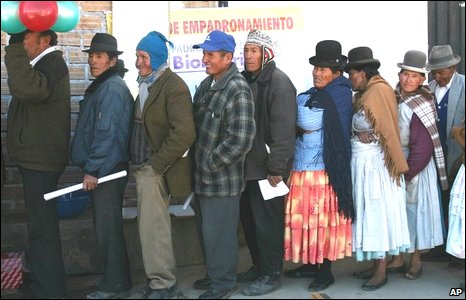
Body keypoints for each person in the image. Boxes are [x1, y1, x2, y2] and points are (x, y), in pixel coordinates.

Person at [128, 31, 195, 299]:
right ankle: (158, 280)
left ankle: (163, 285)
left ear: (156, 58)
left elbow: (184, 133)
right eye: (137, 56)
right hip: (144, 168)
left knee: (153, 229)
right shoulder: (148, 83)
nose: (138, 62)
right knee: (149, 228)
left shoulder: (173, 86)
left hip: (154, 169)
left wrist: (155, 165)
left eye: (143, 56)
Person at [4, 29, 70, 299]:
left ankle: (50, 291)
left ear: (45, 41)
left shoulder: (52, 64)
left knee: (43, 231)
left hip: (41, 164)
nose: (22, 43)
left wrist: (13, 49)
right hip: (36, 162)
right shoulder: (43, 64)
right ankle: (42, 284)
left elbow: (25, 88)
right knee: (39, 228)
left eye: (26, 38)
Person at [283, 40, 354, 292]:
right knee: (305, 220)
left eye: (324, 69)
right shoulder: (313, 95)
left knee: (321, 221)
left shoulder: (340, 94)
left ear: (337, 73)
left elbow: (308, 119)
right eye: (316, 68)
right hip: (303, 167)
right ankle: (312, 263)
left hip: (324, 171)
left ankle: (325, 271)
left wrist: (295, 112)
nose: (317, 73)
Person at [191, 30, 256, 299]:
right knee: (209, 235)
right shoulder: (208, 84)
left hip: (221, 180)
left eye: (210, 54)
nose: (205, 59)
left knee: (220, 236)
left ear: (228, 57)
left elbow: (241, 139)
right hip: (202, 180)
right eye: (204, 54)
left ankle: (223, 285)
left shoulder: (237, 87)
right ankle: (215, 276)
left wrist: (208, 164)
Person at [233, 29, 296, 296]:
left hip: (267, 170)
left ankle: (271, 273)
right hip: (248, 168)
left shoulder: (278, 83)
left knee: (267, 224)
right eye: (246, 50)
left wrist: (276, 169)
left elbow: (284, 130)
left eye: (254, 50)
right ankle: (259, 266)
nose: (249, 56)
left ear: (266, 54)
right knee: (250, 222)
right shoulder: (247, 80)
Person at [70, 33, 133, 299]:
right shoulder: (104, 85)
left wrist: (93, 170)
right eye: (91, 56)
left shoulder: (112, 88)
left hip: (107, 172)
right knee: (106, 228)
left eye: (99, 56)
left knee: (107, 230)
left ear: (111, 60)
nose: (93, 61)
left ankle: (115, 286)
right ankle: (116, 281)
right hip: (104, 169)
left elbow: (106, 134)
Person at [345, 47, 411, 291]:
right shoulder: (366, 92)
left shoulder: (378, 91)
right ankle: (375, 265)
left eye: (351, 73)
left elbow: (385, 129)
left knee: (376, 214)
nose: (350, 78)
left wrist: (367, 133)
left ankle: (381, 270)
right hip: (364, 165)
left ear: (362, 73)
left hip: (376, 167)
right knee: (367, 212)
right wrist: (357, 131)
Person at [388, 50, 448, 280]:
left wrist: (408, 172)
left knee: (415, 214)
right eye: (405, 74)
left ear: (423, 79)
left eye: (414, 76)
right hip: (398, 162)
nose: (408, 80)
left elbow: (423, 147)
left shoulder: (423, 101)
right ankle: (397, 259)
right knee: (400, 213)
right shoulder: (395, 97)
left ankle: (415, 261)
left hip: (415, 167)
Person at [421, 45, 465, 271]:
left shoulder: (465, 85)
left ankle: (460, 252)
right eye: (434, 72)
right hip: (435, 157)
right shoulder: (428, 88)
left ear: (453, 67)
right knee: (440, 200)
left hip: (459, 156)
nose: (437, 76)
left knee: (459, 205)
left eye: (441, 71)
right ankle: (442, 246)